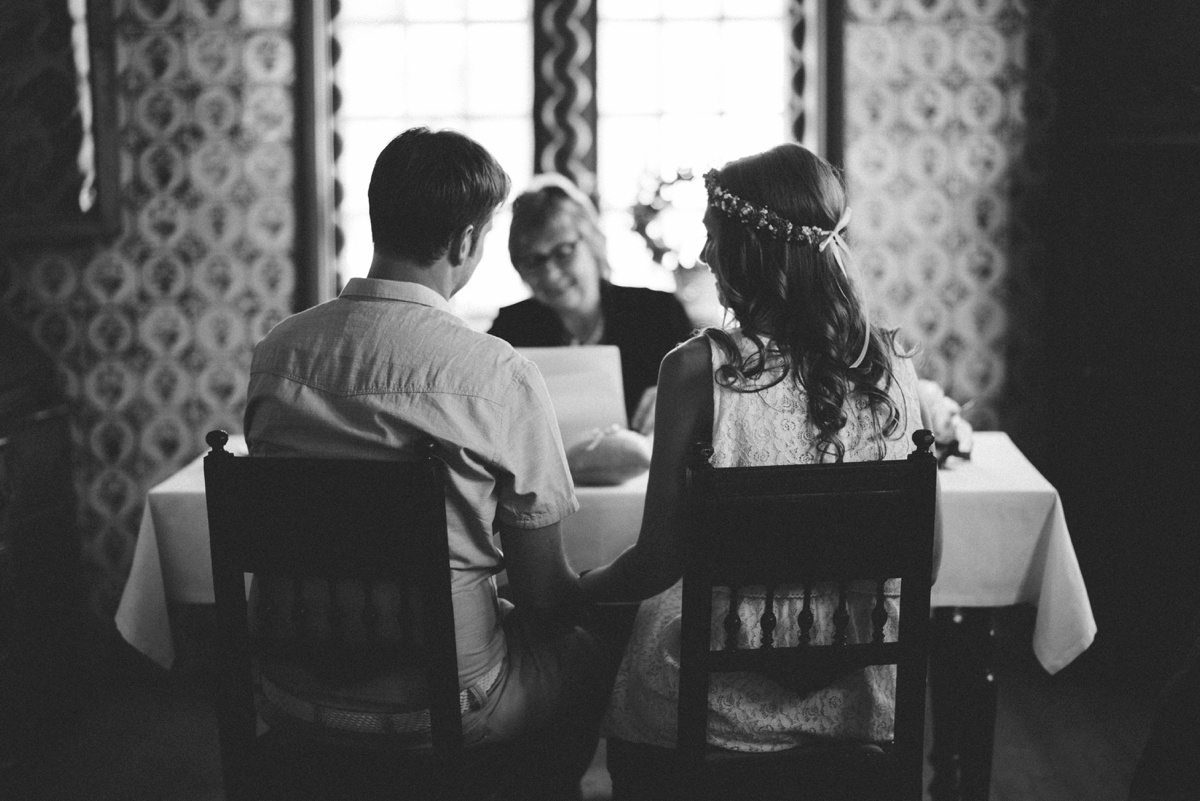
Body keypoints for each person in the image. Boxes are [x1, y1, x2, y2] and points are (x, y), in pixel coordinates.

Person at [243, 127, 618, 801]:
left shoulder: (276, 354)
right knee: (586, 654)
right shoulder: (496, 372)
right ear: (466, 241)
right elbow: (542, 594)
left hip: (289, 687)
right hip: (445, 699)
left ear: (377, 218)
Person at [577, 143, 941, 796]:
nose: (706, 255)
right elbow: (928, 559)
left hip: (712, 704)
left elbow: (657, 561)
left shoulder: (694, 371)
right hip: (858, 699)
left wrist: (583, 585)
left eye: (714, 238)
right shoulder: (893, 367)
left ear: (751, 252)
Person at [488, 173, 695, 434]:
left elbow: (704, 394)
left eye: (563, 252)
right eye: (533, 260)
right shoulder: (510, 330)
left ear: (594, 242)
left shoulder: (658, 312)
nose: (550, 273)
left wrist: (677, 398)